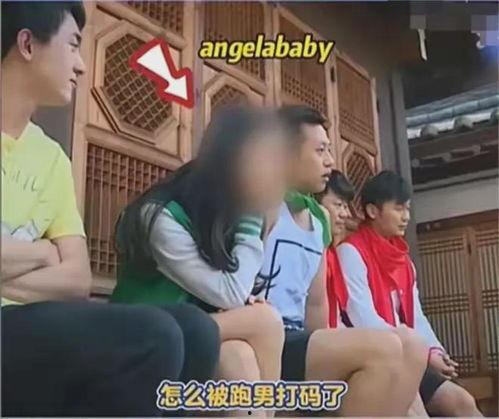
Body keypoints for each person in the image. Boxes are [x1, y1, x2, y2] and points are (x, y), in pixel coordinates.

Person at [1, 2, 220, 416]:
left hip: (34, 322)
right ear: (27, 44)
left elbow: (77, 278)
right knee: (154, 337)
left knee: (197, 330)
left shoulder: (52, 159)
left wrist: (30, 259)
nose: (82, 65)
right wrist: (44, 253)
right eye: (73, 45)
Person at [112, 105, 287, 417]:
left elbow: (225, 291)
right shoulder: (160, 216)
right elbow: (229, 292)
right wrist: (252, 220)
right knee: (266, 321)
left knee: (239, 356)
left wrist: (243, 299)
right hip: (140, 334)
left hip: (192, 330)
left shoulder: (224, 216)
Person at [257, 105, 428, 416]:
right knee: (385, 349)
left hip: (300, 340)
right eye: (320, 150)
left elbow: (316, 303)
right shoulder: (259, 205)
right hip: (266, 337)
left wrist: (326, 349)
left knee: (414, 346)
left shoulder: (319, 220)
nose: (330, 161)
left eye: (329, 150)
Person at [336, 170, 482, 417]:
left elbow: (416, 316)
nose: (406, 217)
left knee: (463, 402)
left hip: (410, 354)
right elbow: (362, 317)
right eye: (398, 209)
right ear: (372, 211)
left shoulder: (404, 261)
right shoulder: (351, 252)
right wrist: (419, 353)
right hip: (378, 358)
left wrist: (435, 351)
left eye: (407, 209)